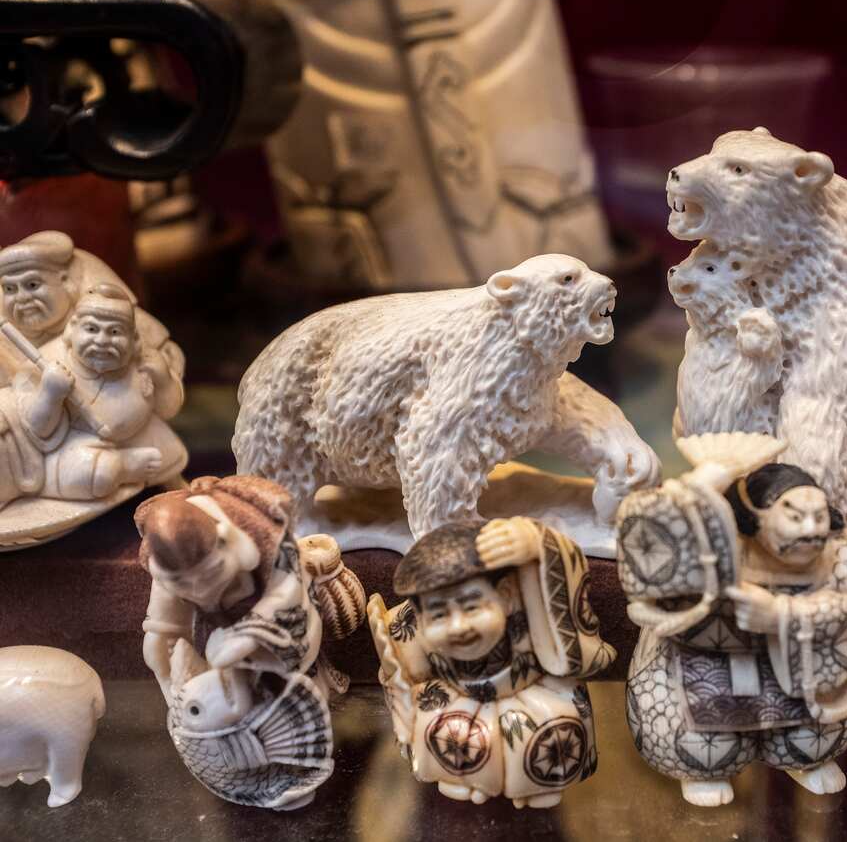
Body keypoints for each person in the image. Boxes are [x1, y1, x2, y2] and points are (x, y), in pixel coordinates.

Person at [623, 462, 847, 807]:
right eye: (796, 517)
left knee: (813, 741)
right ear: (756, 516)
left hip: (801, 675)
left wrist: (781, 614)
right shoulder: (716, 536)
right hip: (708, 668)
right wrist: (692, 491)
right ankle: (705, 770)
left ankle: (798, 761)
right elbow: (650, 560)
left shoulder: (841, 548)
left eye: (818, 517)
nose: (812, 530)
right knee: (704, 749)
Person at [136, 475, 360, 809]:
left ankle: (298, 755)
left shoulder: (265, 534)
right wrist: (163, 659)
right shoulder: (166, 566)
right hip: (219, 641)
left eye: (210, 575)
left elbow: (289, 595)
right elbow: (166, 628)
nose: (199, 590)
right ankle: (250, 773)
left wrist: (248, 638)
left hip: (281, 630)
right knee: (217, 687)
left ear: (227, 542)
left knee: (287, 683)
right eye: (184, 584)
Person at [367, 517, 616, 809]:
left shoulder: (528, 600)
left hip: (530, 694)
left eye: (472, 606)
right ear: (419, 617)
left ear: (507, 596)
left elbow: (555, 583)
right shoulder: (409, 624)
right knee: (434, 719)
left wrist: (537, 545)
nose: (459, 626)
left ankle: (537, 786)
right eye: (438, 615)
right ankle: (461, 780)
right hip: (459, 700)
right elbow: (404, 672)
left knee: (554, 721)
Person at [0, 284, 183, 507]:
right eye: (91, 330)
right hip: (65, 449)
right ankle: (123, 466)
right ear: (71, 330)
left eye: (115, 332)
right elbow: (37, 429)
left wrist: (163, 379)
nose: (102, 340)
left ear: (134, 339)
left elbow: (168, 409)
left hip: (134, 437)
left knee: (162, 457)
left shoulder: (145, 363)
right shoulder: (48, 361)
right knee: (96, 473)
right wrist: (50, 393)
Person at [0, 231, 181, 383]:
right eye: (10, 288)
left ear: (65, 280)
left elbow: (158, 351)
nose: (22, 298)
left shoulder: (102, 306)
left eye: (32, 285)